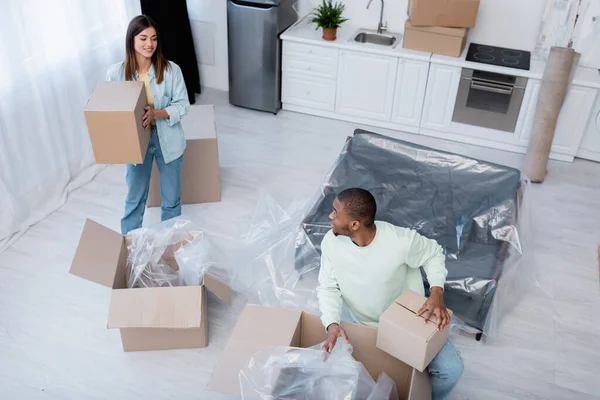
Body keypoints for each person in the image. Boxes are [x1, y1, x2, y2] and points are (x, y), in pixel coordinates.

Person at [316, 188, 464, 400]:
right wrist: (331, 324)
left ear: (355, 224)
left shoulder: (400, 240)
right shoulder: (331, 242)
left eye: (335, 212)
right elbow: (328, 287)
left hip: (407, 321)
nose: (330, 216)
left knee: (452, 369)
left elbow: (433, 253)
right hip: (362, 322)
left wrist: (436, 292)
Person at [106, 15, 190, 234]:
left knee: (171, 201)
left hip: (168, 141)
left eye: (153, 38)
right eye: (143, 38)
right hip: (136, 144)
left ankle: (170, 249)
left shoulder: (171, 71)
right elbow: (112, 109)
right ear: (131, 40)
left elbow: (183, 106)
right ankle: (129, 249)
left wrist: (156, 113)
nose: (149, 44)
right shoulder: (116, 73)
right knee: (134, 199)